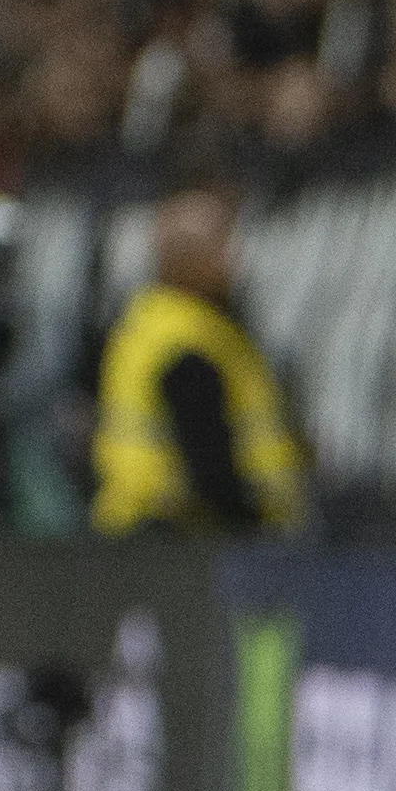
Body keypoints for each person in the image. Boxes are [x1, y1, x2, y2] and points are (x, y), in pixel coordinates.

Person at [91, 190, 306, 534]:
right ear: (191, 259)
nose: (234, 260)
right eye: (223, 246)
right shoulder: (189, 343)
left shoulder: (148, 321)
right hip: (182, 540)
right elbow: (209, 463)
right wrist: (253, 525)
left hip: (141, 531)